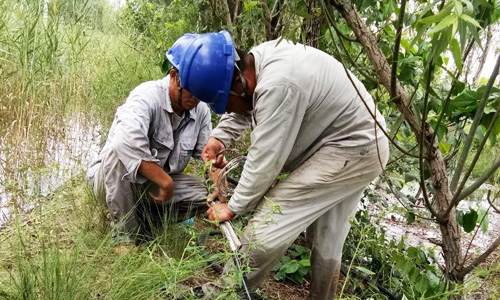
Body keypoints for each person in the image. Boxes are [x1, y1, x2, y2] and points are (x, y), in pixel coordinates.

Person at [163, 30, 389, 299]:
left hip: (354, 146)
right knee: (326, 237)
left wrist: (233, 207)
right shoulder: (254, 66)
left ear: (238, 84)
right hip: (362, 143)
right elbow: (246, 105)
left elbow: (266, 160)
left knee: (274, 215)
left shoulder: (280, 84)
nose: (228, 112)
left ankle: (223, 295)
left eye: (225, 105)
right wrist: (218, 137)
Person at [85, 34, 229, 244]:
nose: (196, 101)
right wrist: (165, 180)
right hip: (110, 182)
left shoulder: (201, 112)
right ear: (173, 76)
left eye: (201, 96)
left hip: (154, 189)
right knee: (118, 150)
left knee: (208, 194)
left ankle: (145, 221)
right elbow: (123, 143)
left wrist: (219, 186)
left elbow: (208, 157)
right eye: (192, 93)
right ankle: (124, 237)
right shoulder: (146, 96)